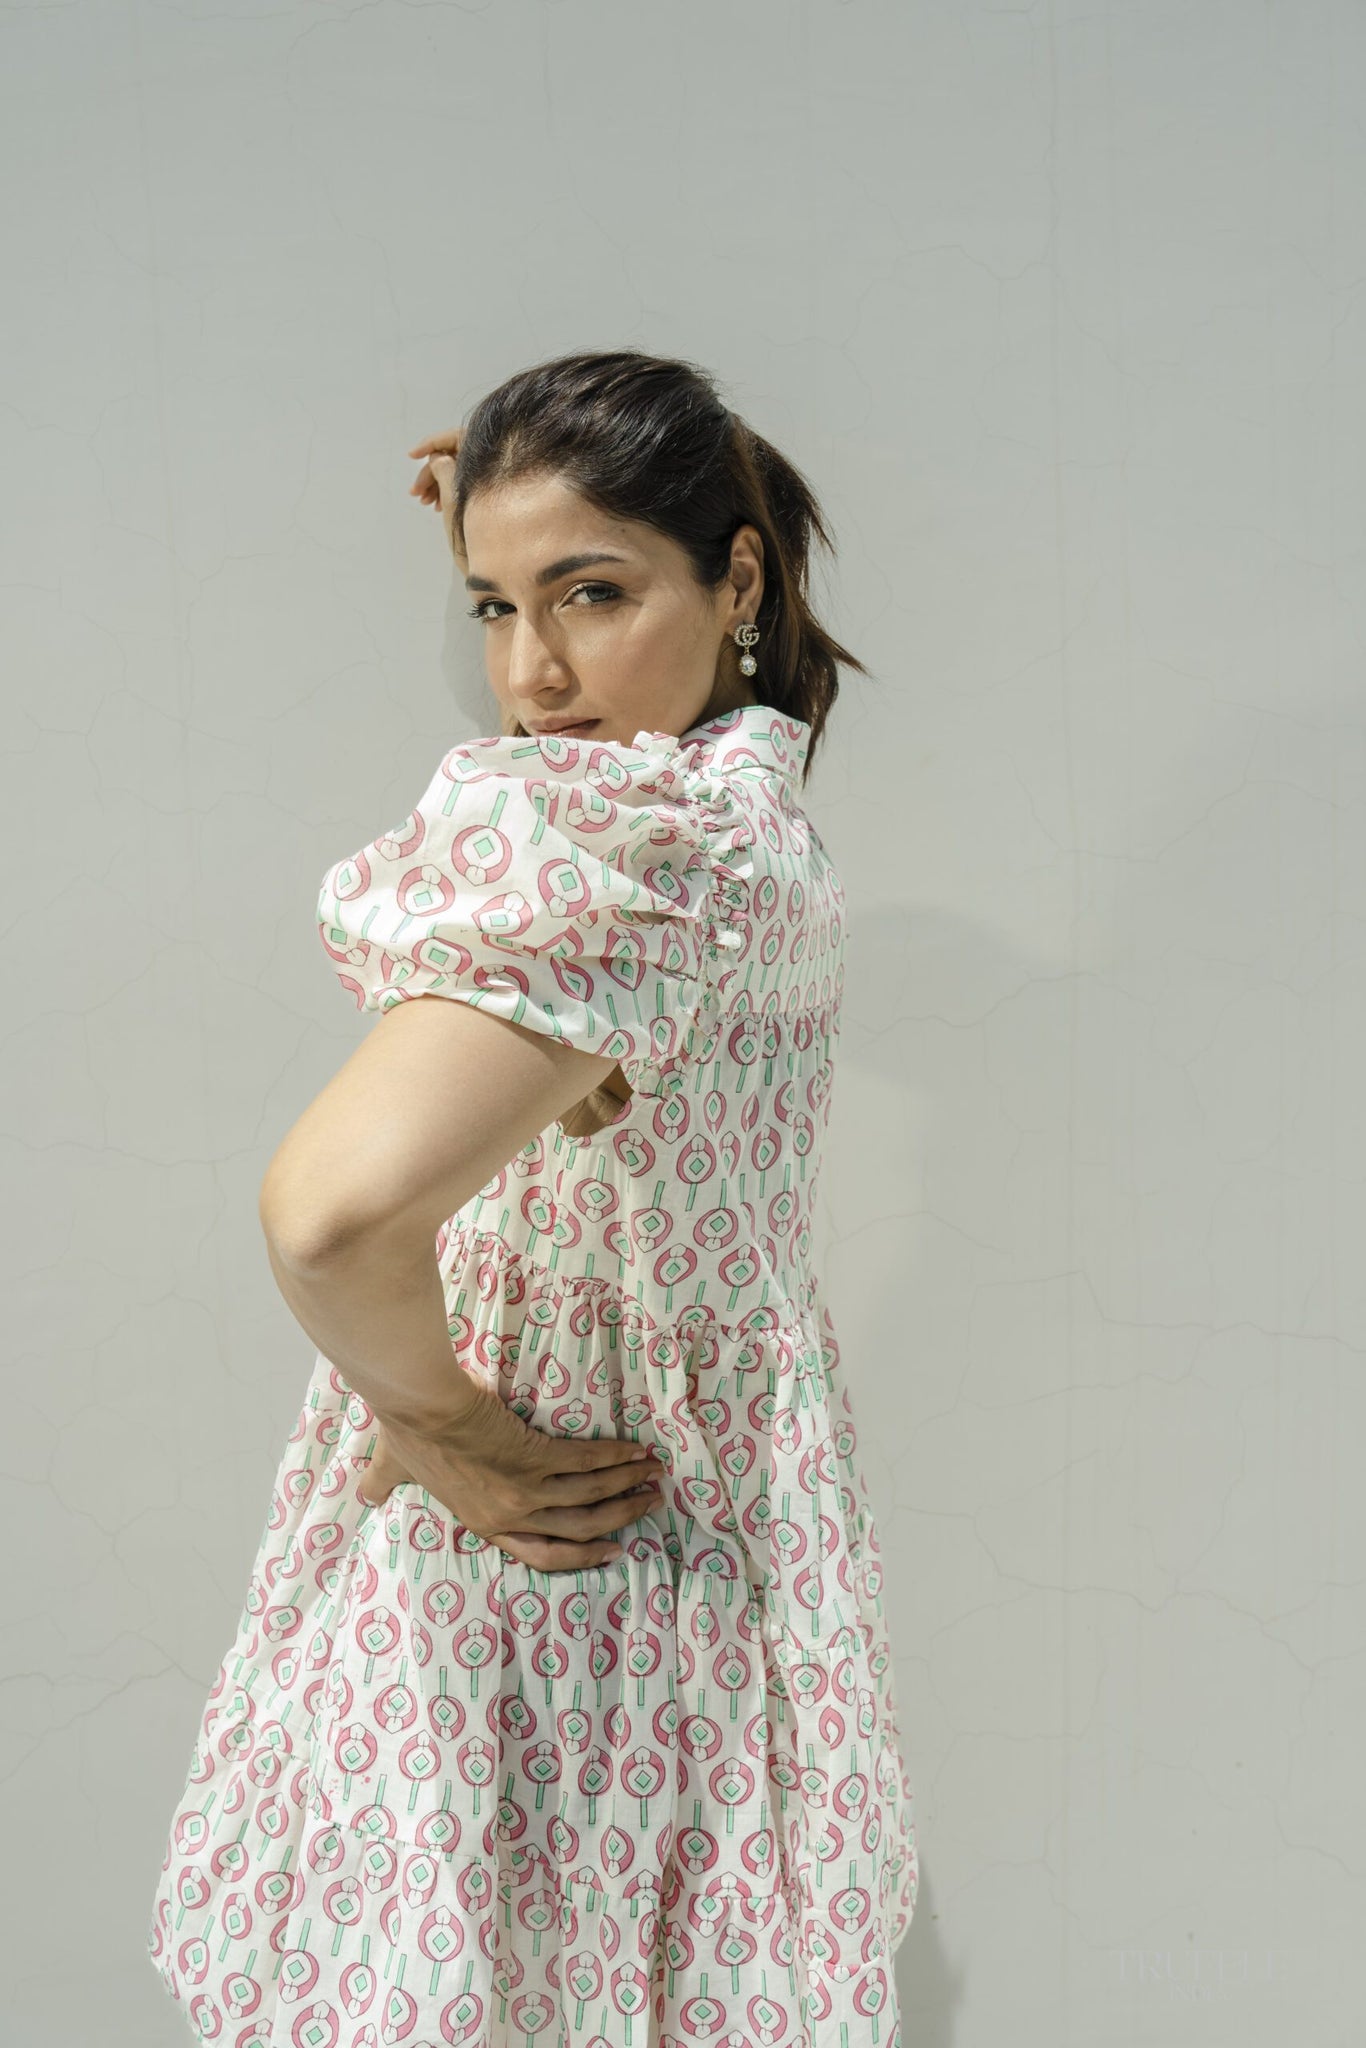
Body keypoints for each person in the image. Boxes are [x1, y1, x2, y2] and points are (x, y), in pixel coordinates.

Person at [147, 348, 919, 2047]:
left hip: (557, 1542)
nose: (532, 673)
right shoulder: (738, 818)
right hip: (695, 1524)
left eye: (593, 594)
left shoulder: (649, 850)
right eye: (494, 606)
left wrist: (443, 1429)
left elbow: (330, 1218)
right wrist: (557, 516)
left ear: (737, 580)